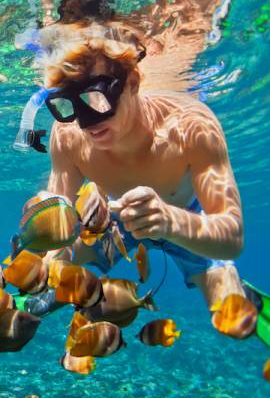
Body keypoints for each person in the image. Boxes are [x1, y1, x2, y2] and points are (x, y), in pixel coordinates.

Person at [27, 22, 248, 314]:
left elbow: (232, 237)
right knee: (48, 269)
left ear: (132, 83)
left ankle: (228, 284)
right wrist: (48, 264)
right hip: (110, 221)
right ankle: (73, 291)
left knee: (230, 315)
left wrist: (169, 222)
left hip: (186, 216)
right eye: (68, 105)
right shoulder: (67, 136)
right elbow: (58, 221)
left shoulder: (191, 125)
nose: (85, 122)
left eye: (96, 99)